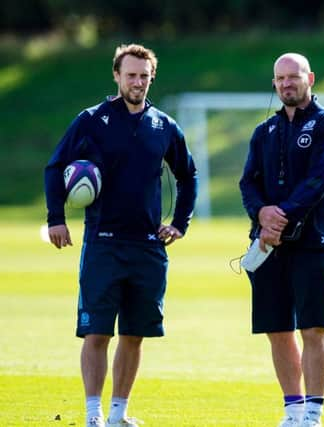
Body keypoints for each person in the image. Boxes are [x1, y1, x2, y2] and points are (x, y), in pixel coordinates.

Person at [44, 44, 198, 427]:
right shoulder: (92, 120)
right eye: (131, 75)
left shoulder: (163, 125)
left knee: (134, 333)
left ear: (152, 77)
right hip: (103, 243)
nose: (138, 82)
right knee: (96, 332)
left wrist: (179, 222)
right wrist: (55, 218)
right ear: (116, 75)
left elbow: (188, 175)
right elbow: (55, 167)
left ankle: (118, 414)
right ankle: (93, 414)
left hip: (148, 246)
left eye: (144, 76)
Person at [239, 53, 324, 427]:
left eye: (294, 76)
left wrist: (279, 217)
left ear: (310, 78)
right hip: (268, 246)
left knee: (313, 328)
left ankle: (314, 413)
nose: (287, 83)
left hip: (313, 241)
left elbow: (320, 178)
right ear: (274, 83)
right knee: (277, 328)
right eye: (280, 78)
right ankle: (293, 409)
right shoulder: (263, 131)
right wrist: (261, 214)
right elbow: (247, 182)